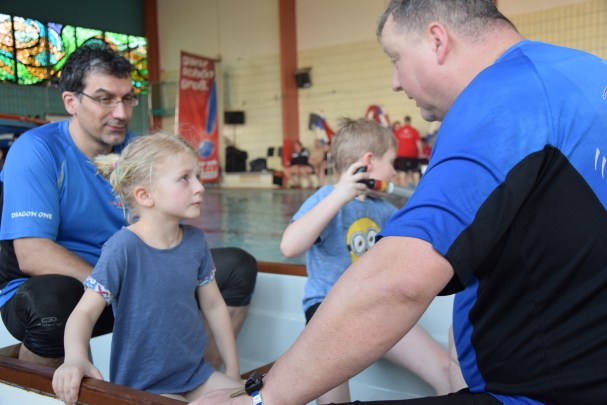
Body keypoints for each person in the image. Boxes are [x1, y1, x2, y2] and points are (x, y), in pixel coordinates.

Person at [192, 0, 607, 404]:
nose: (394, 82)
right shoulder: (588, 72)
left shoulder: (500, 99)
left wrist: (263, 397)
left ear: (437, 41)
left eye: (395, 58)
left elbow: (400, 281)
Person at [0, 42, 257, 368]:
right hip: (64, 290)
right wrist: (121, 287)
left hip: (135, 280)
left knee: (237, 267)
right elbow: (32, 254)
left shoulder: (139, 150)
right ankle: (38, 389)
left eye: (127, 99)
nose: (121, 113)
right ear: (71, 102)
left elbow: (169, 230)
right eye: (105, 99)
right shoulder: (37, 150)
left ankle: (195, 378)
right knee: (52, 303)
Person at [52, 133, 242, 404]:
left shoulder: (195, 241)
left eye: (198, 177)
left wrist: (233, 370)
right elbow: (84, 312)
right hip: (144, 387)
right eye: (185, 178)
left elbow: (213, 305)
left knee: (251, 398)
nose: (200, 187)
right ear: (145, 195)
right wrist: (75, 358)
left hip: (196, 375)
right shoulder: (123, 247)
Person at [280, 118, 451, 403]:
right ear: (369, 162)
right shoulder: (326, 198)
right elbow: (289, 247)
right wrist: (340, 196)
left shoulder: (383, 209)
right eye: (392, 162)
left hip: (375, 306)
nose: (394, 172)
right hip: (328, 311)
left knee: (446, 371)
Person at [393, 115, 422, 187]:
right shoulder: (414, 130)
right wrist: (421, 153)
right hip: (413, 155)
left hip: (402, 154)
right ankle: (417, 187)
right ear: (410, 121)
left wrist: (395, 152)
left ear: (404, 121)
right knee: (415, 171)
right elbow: (418, 143)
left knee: (403, 171)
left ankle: (403, 188)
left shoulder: (399, 131)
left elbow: (396, 143)